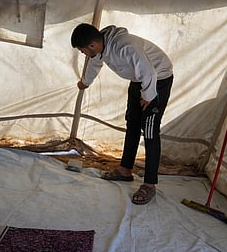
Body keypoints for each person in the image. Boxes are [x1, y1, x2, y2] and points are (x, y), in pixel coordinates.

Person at [71, 23, 173, 205]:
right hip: (139, 80)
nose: (83, 53)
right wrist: (85, 82)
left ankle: (150, 184)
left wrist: (149, 96)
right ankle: (125, 170)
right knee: (132, 123)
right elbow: (95, 63)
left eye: (82, 50)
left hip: (158, 79)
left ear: (91, 45)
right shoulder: (101, 47)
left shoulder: (125, 46)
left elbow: (149, 72)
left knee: (149, 130)